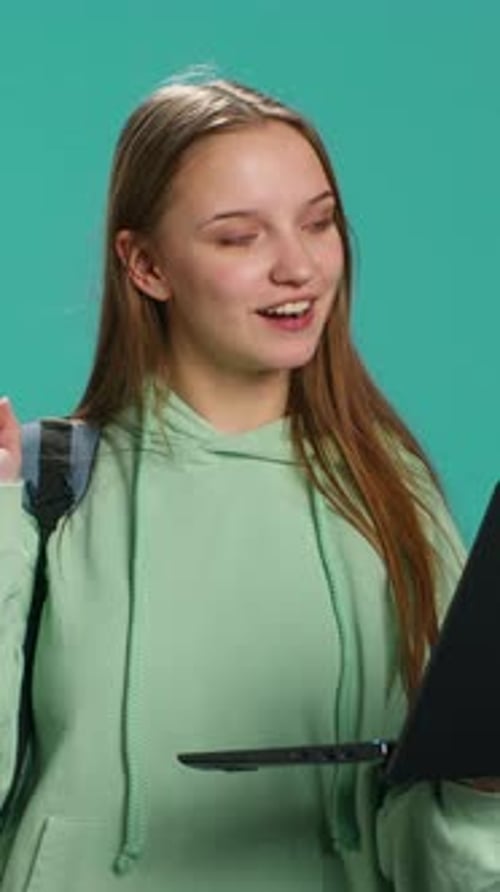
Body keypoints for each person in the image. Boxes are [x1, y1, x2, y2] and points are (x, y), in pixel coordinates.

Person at [0, 77, 499, 892]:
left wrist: (482, 791)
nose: (298, 267)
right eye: (239, 238)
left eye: (319, 221)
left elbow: (436, 858)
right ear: (147, 264)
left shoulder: (391, 493)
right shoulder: (43, 488)